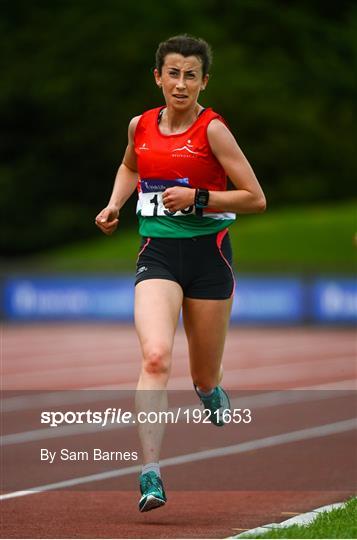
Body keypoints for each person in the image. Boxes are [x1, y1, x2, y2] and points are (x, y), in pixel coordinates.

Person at [95, 34, 266, 512]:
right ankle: (150, 474)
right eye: (173, 73)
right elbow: (130, 166)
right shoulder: (140, 126)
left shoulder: (213, 131)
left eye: (191, 75)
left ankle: (210, 390)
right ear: (158, 77)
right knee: (154, 357)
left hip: (210, 257)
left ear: (203, 82)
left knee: (202, 373)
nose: (181, 83)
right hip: (159, 254)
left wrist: (200, 198)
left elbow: (256, 198)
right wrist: (114, 204)